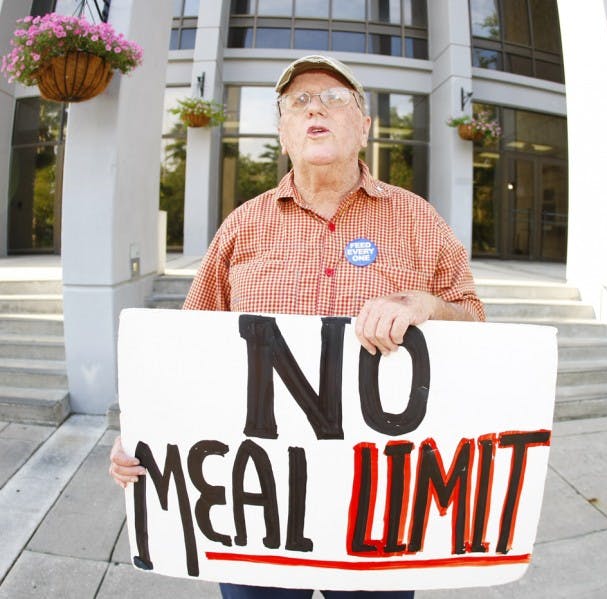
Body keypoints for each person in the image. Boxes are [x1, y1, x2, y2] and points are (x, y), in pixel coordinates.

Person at [109, 54, 485, 599]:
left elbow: (475, 318)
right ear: (283, 131)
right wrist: (146, 430)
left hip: (376, 513)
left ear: (364, 127)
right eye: (298, 102)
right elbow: (185, 347)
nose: (315, 110)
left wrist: (431, 304)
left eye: (334, 99)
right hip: (259, 517)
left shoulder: (420, 221)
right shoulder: (241, 225)